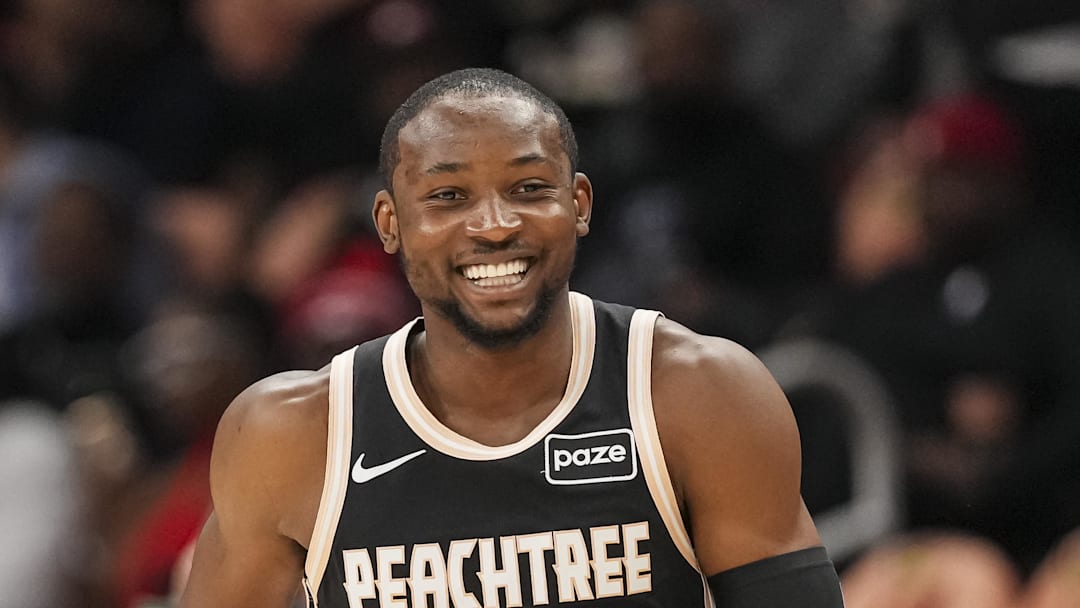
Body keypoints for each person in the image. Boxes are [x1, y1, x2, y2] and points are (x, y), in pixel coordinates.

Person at [178, 67, 844, 607]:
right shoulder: (292, 435)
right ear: (389, 222)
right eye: (448, 197)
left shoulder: (700, 394)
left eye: (528, 188)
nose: (494, 225)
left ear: (578, 205)